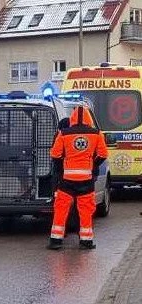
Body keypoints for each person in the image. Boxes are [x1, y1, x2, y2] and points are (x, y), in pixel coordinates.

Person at [48, 106, 108, 250]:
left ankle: (56, 241)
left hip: (67, 180)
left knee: (61, 210)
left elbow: (55, 155)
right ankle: (86, 241)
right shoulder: (96, 134)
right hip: (86, 180)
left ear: (73, 117)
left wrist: (62, 168)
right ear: (88, 118)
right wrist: (92, 164)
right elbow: (103, 154)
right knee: (86, 211)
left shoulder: (63, 133)